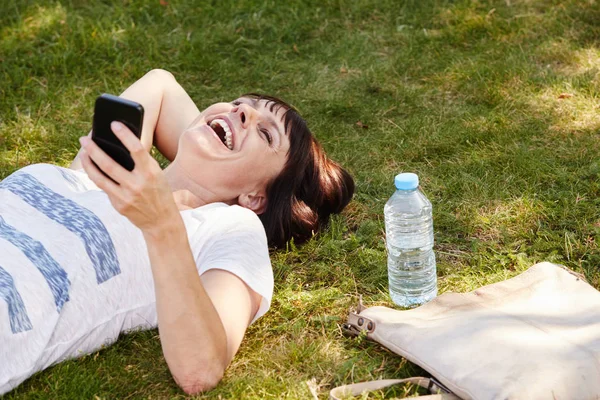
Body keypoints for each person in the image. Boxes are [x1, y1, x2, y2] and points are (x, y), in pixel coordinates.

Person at [0, 69, 354, 395]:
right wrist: (217, 137)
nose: (242, 112)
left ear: (256, 197)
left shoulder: (228, 227)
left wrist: (161, 220)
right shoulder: (91, 177)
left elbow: (201, 367)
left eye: (265, 133)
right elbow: (160, 84)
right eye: (239, 105)